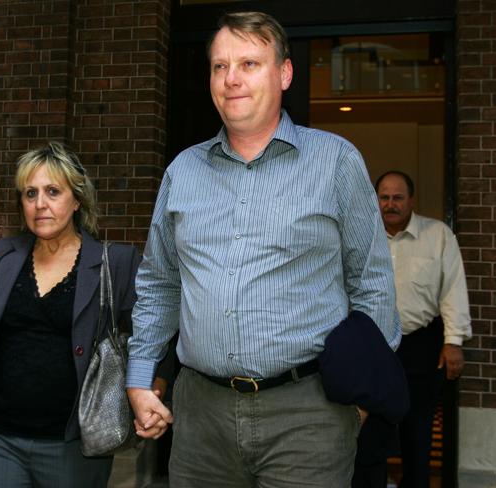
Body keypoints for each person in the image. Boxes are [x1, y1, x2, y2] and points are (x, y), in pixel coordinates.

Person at [126, 11, 402, 487]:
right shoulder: (182, 172)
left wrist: (360, 396)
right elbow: (159, 284)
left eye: (249, 63)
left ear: (285, 73)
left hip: (308, 413)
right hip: (200, 422)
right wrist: (138, 376)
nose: (231, 78)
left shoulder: (335, 161)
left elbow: (371, 282)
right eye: (219, 66)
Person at [0, 142, 166, 488]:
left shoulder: (117, 263)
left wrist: (151, 393)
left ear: (76, 200)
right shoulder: (4, 257)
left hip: (73, 446)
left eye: (52, 191)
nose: (40, 204)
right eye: (30, 193)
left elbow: (156, 336)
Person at [372, 170, 472, 488]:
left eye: (398, 197)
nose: (390, 204)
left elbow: (453, 289)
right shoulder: (363, 234)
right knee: (371, 427)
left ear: (411, 200)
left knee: (418, 427)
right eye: (384, 197)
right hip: (373, 347)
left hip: (420, 343)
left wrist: (453, 341)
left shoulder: (438, 235)